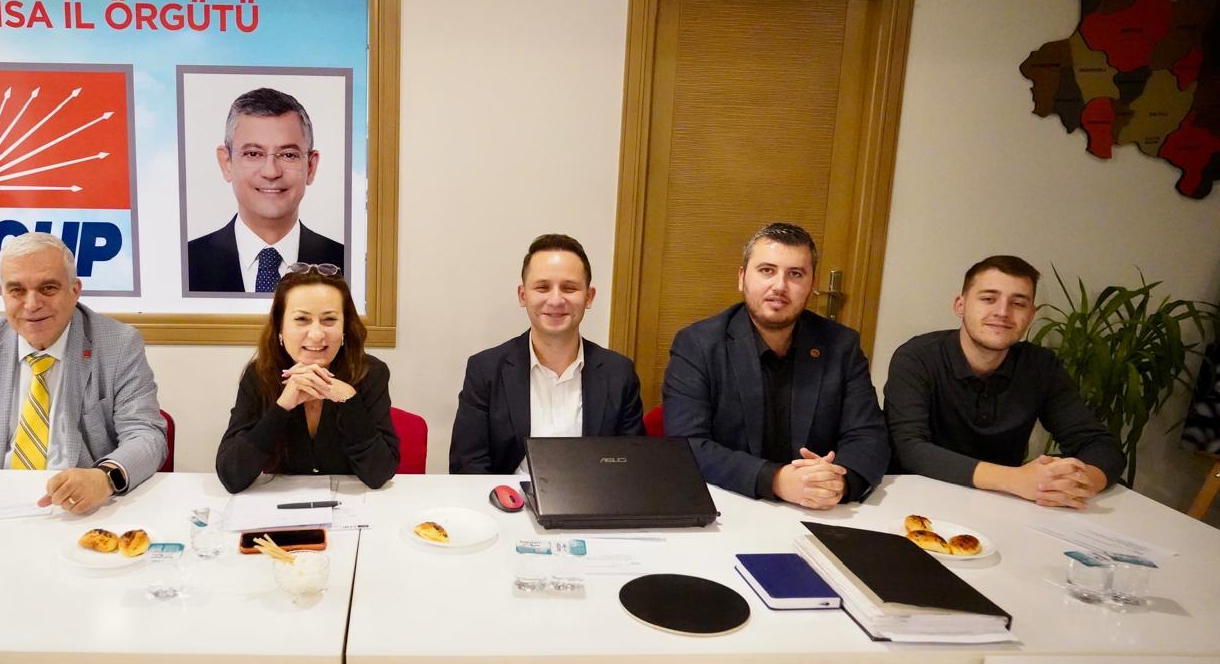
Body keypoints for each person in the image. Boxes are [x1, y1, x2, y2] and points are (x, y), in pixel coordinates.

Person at [0, 233, 167, 516]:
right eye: (17, 290)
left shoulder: (118, 345)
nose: (32, 304)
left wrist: (105, 477)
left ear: (74, 291)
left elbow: (146, 434)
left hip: (82, 507)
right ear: (2, 293)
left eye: (48, 288)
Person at [662, 222, 889, 508]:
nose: (780, 286)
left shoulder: (841, 346)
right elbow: (687, 444)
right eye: (767, 270)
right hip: (733, 506)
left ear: (812, 285)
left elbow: (869, 435)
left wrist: (839, 482)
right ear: (742, 278)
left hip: (821, 510)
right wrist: (776, 480)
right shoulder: (698, 345)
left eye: (795, 274)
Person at [885, 255, 1124, 508]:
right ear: (960, 305)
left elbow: (1100, 445)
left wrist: (1076, 483)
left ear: (1031, 314)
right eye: (988, 299)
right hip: (916, 501)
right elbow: (908, 448)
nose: (1002, 312)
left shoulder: (1040, 365)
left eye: (1018, 303)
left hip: (1000, 506)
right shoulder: (917, 357)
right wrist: (1015, 479)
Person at [450, 233, 644, 474]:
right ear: (523, 295)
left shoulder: (619, 373)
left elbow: (630, 467)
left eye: (569, 288)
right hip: (508, 496)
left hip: (592, 496)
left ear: (589, 297)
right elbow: (467, 466)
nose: (556, 300)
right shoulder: (485, 370)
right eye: (542, 287)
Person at [215, 265, 399, 492]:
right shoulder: (260, 375)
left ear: (344, 327)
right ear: (280, 328)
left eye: (329, 319)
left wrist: (349, 400)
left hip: (350, 505)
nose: (316, 334)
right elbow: (231, 475)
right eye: (302, 319)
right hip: (277, 507)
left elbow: (379, 474)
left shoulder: (371, 373)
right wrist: (282, 406)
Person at [186, 87, 344, 293]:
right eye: (253, 154)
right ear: (226, 163)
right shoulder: (186, 263)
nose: (271, 172)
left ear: (311, 167)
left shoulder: (345, 264)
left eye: (288, 155)